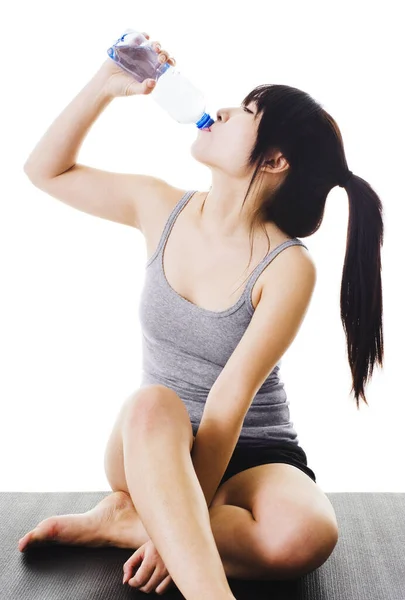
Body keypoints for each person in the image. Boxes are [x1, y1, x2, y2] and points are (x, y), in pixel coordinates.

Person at [19, 31, 384, 598]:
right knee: (152, 402)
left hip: (255, 451)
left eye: (247, 111)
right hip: (150, 443)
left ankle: (129, 522)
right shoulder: (158, 204)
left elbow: (228, 405)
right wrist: (104, 86)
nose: (221, 110)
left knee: (306, 536)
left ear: (276, 159)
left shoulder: (287, 266)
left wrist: (172, 530)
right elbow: (45, 170)